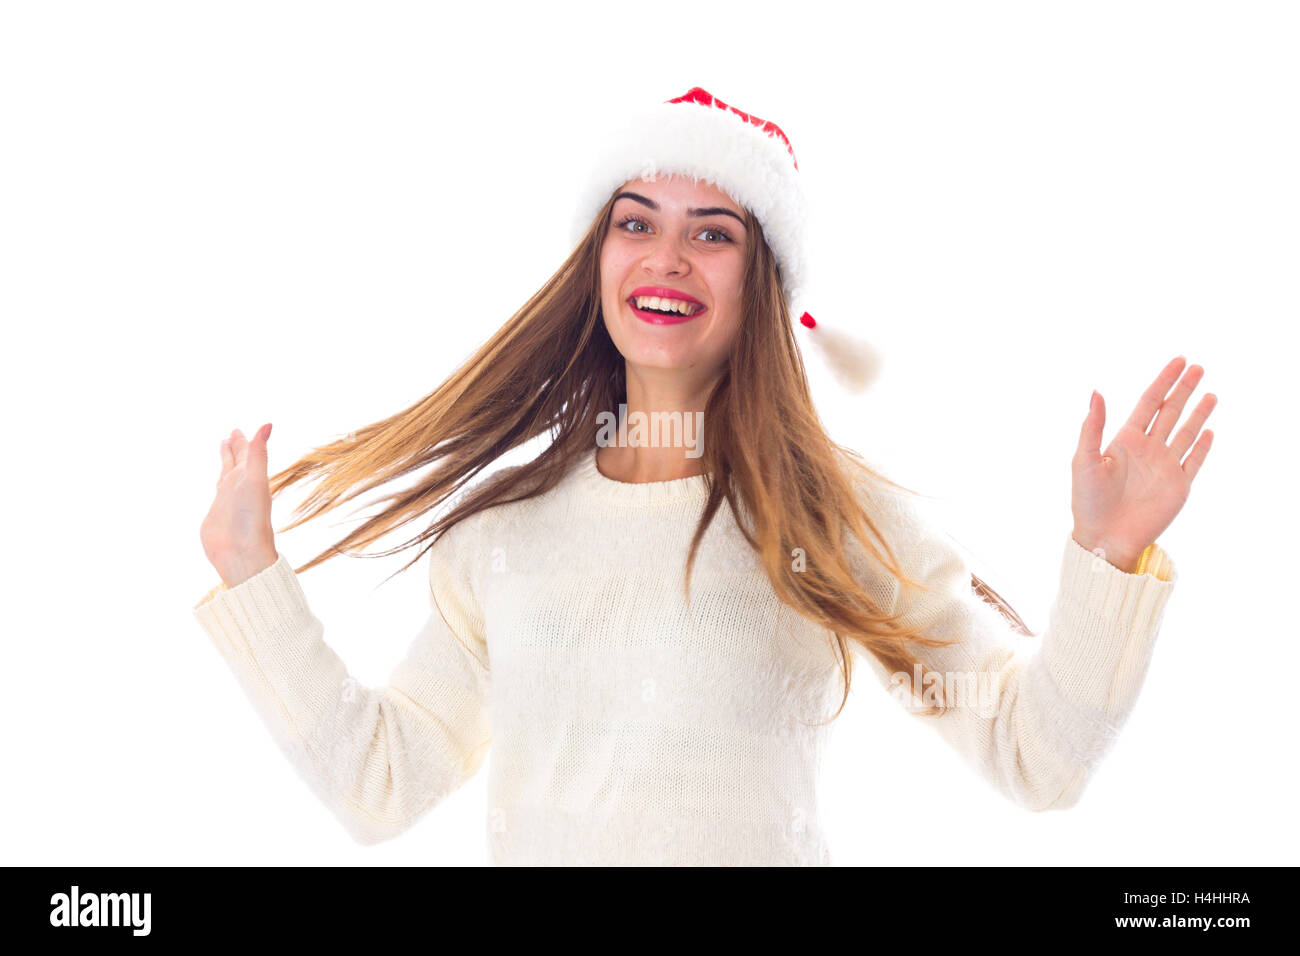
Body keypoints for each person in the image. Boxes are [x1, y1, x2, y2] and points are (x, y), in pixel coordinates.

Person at [193, 87, 1216, 866]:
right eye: (635, 222)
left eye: (711, 233)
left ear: (761, 280)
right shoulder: (501, 540)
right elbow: (381, 781)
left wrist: (1106, 555)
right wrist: (250, 573)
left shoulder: (831, 520)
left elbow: (1036, 755)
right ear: (598, 261)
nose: (666, 256)